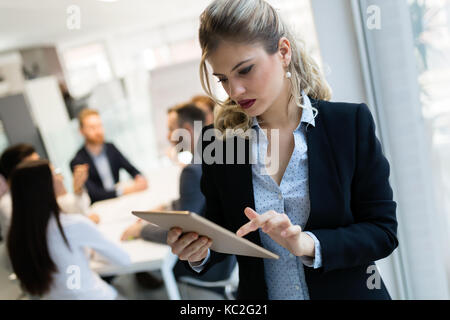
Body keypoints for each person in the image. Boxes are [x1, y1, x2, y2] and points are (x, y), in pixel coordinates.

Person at [165, 0, 398, 300]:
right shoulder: (219, 142)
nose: (234, 91)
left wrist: (307, 243)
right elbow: (222, 233)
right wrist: (198, 252)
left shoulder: (347, 125)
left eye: (245, 70)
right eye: (223, 79)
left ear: (284, 52)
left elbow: (382, 232)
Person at [121, 102, 236, 288]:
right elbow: (198, 200)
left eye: (170, 129)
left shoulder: (192, 170)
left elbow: (180, 232)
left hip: (212, 264)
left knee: (146, 265)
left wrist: (140, 230)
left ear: (187, 130)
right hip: (230, 260)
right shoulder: (213, 156)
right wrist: (167, 206)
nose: (167, 136)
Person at [7, 160, 131, 299]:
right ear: (46, 185)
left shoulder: (18, 235)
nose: (62, 178)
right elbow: (124, 260)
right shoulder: (71, 225)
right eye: (56, 174)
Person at [0, 144, 98, 241]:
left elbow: (69, 208)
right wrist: (81, 224)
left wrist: (78, 189)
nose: (41, 168)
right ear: (18, 173)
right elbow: (43, 237)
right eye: (35, 164)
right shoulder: (8, 205)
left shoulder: (36, 191)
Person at [70, 108, 148, 203]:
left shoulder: (111, 148)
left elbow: (132, 169)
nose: (98, 131)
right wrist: (125, 191)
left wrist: (139, 178)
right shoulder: (78, 161)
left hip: (120, 201)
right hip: (100, 207)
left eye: (99, 126)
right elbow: (94, 194)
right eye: (92, 127)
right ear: (81, 131)